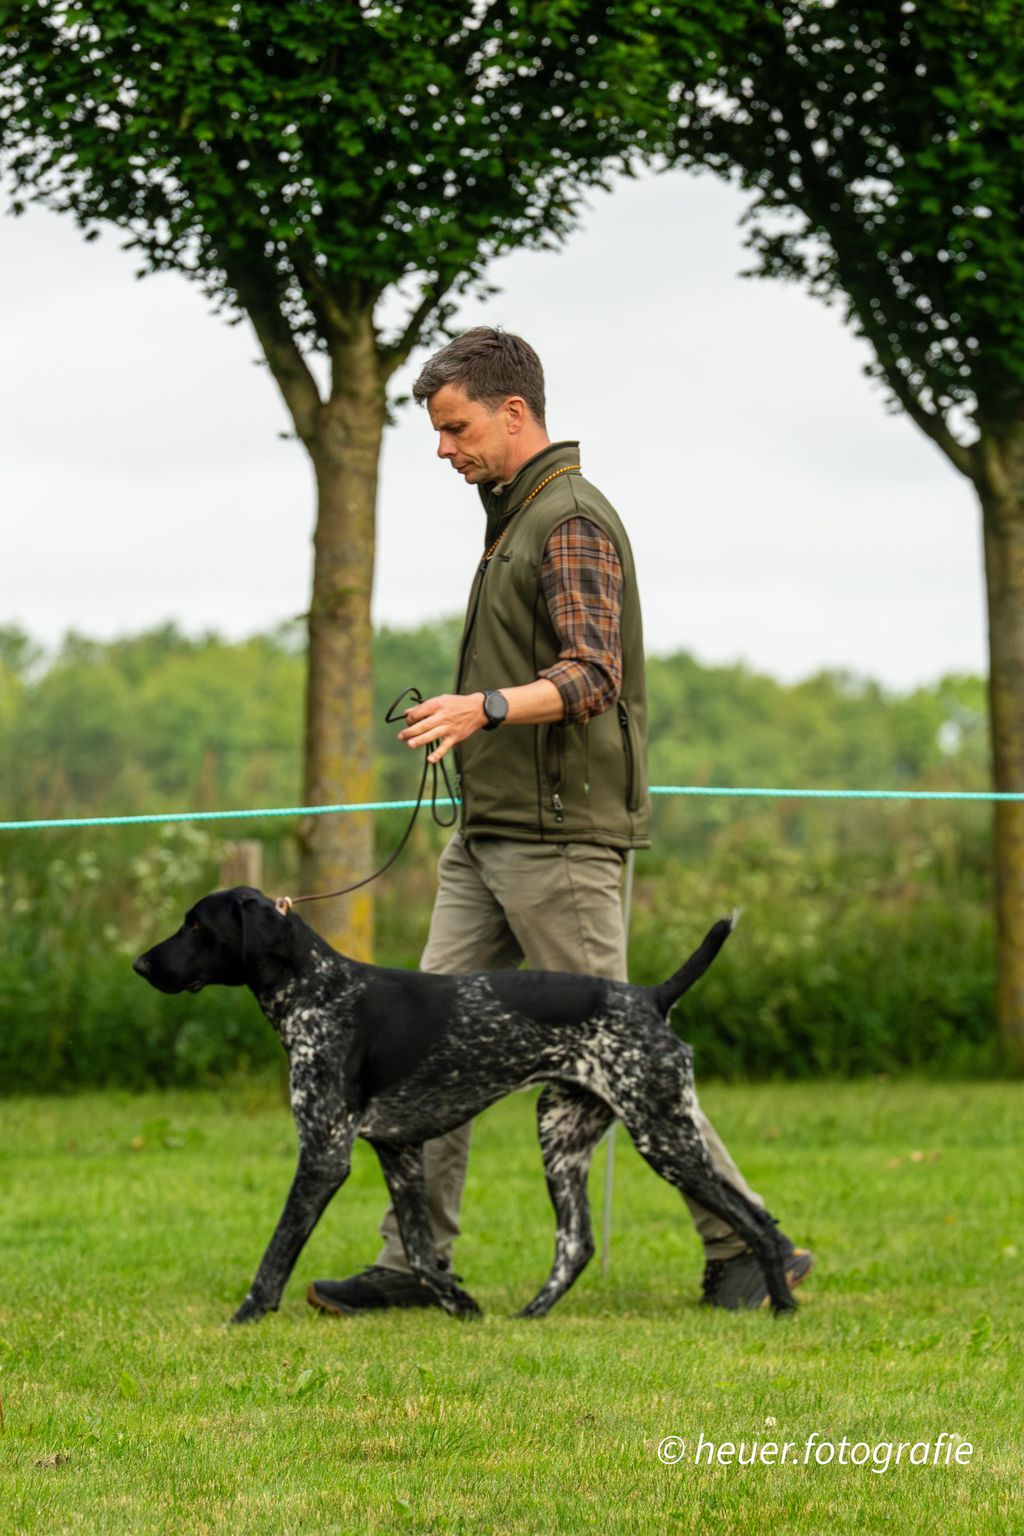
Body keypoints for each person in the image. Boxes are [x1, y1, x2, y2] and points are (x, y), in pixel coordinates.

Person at [307, 328, 813, 1315]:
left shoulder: (568, 520)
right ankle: (415, 1263)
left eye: (456, 428)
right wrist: (469, 722)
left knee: (622, 1062)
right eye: (437, 432)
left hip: (562, 841)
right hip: (488, 834)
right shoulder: (512, 518)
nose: (443, 450)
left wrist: (483, 708)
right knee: (424, 1050)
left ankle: (752, 1246)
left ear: (513, 412)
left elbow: (592, 675)